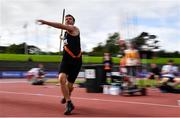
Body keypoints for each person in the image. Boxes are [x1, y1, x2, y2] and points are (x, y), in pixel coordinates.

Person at [37, 14, 82, 115]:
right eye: (66, 19)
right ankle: (69, 103)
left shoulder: (74, 29)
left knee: (70, 86)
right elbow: (66, 37)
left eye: (70, 19)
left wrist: (45, 22)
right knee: (61, 79)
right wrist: (62, 38)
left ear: (73, 22)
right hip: (66, 59)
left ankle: (67, 94)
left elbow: (61, 26)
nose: (67, 20)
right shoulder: (66, 33)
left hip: (76, 61)